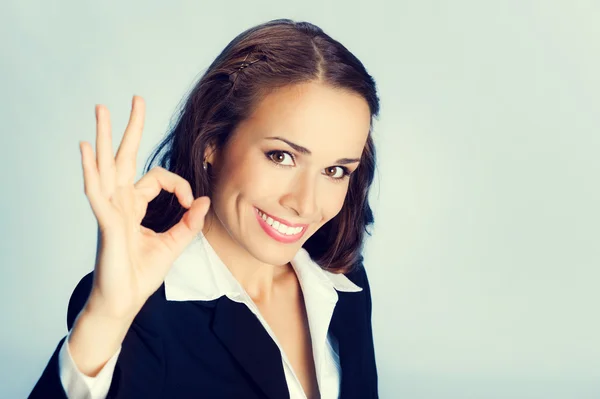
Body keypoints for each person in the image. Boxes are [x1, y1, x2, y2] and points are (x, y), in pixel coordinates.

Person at [30, 18, 380, 399]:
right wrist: (107, 314)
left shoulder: (344, 281)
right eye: (281, 156)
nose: (305, 203)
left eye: (335, 170)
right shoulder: (141, 310)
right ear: (212, 140)